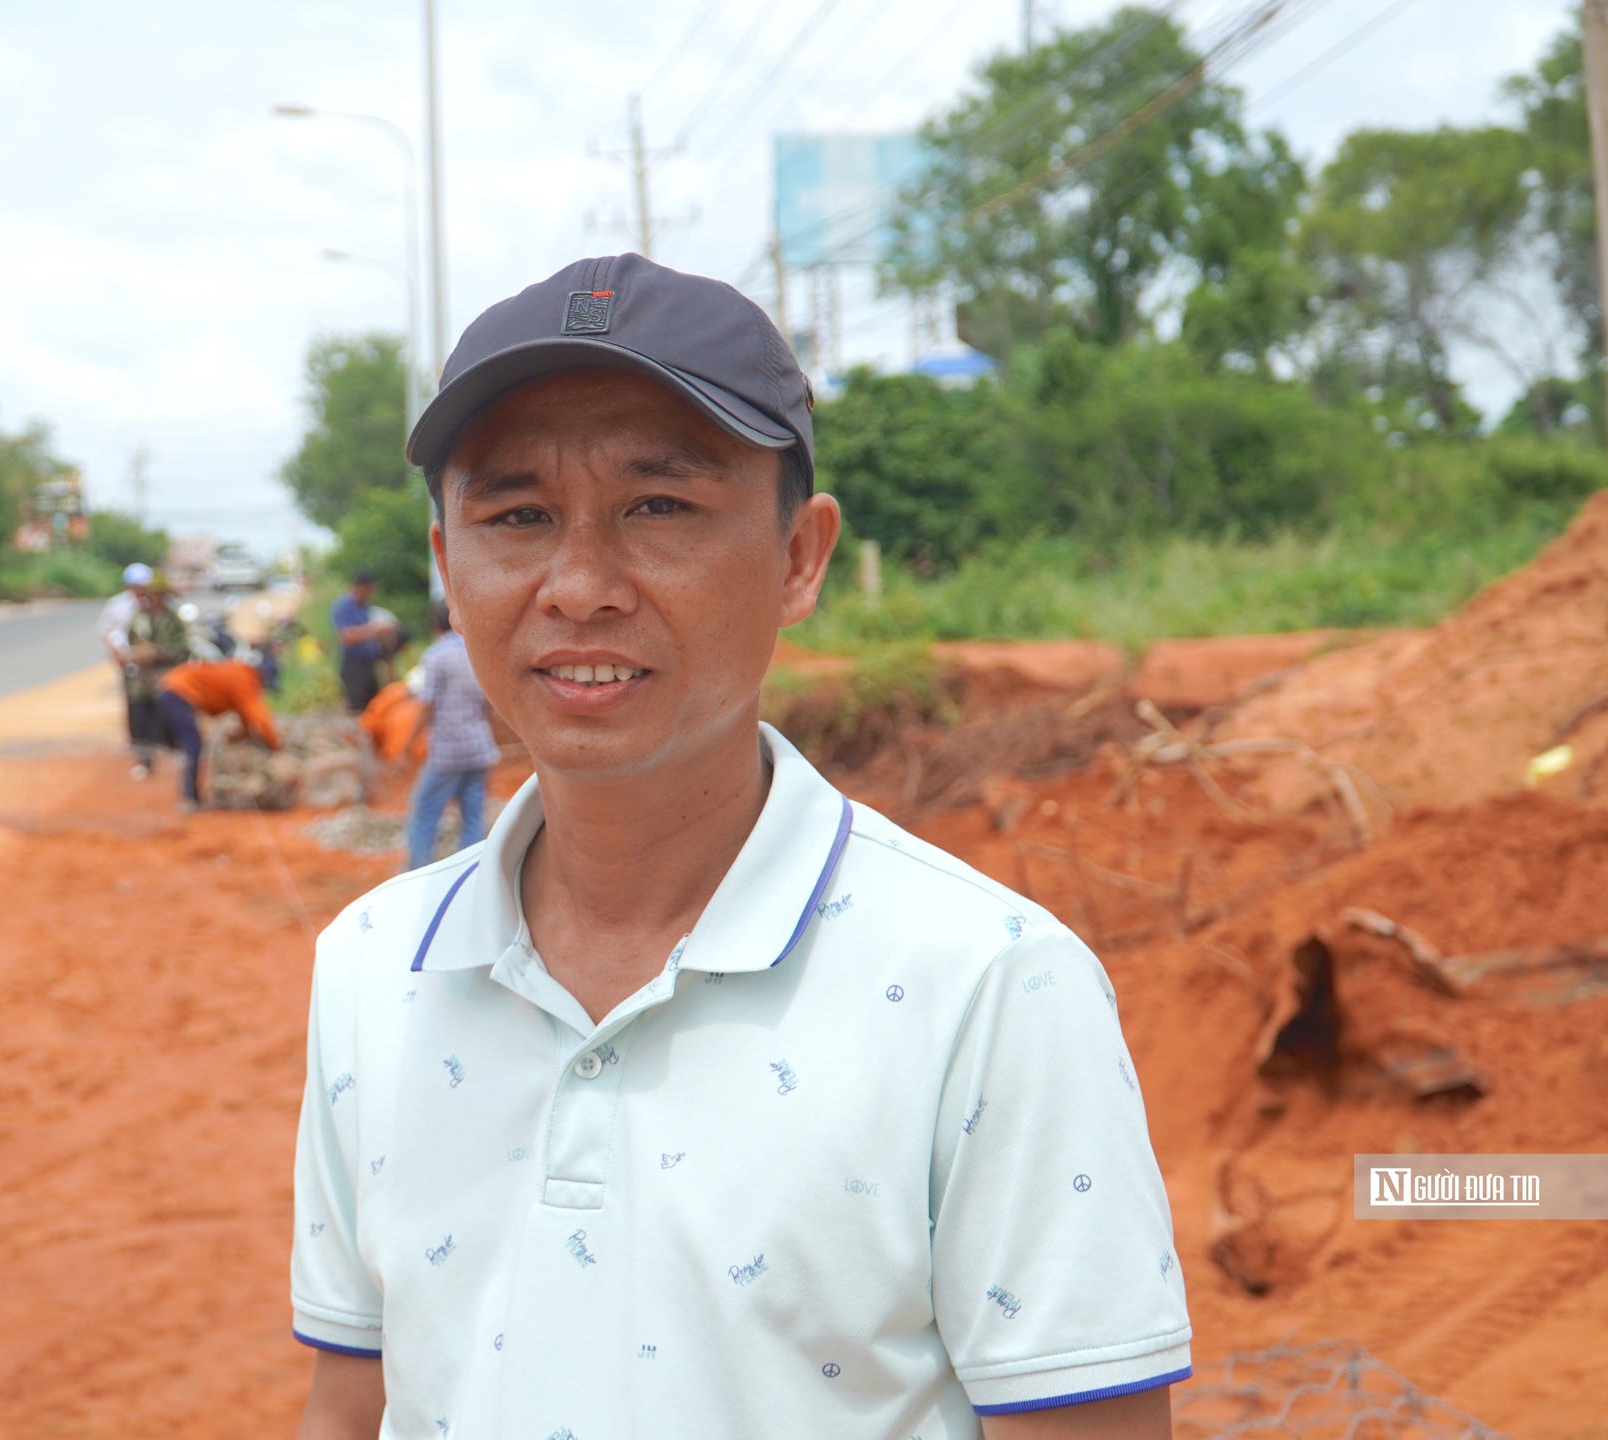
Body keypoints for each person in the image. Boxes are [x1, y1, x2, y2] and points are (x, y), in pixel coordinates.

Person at [290, 255, 1189, 1440]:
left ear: (800, 557)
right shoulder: (373, 967)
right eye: (516, 516)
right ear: (448, 569)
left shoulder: (989, 985)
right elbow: (354, 1405)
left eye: (659, 506)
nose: (579, 585)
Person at [401, 601, 497, 870]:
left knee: (425, 812)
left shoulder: (436, 656)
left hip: (448, 752)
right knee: (473, 816)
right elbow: (489, 702)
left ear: (433, 625)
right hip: (480, 747)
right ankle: (469, 876)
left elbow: (427, 705)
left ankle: (415, 873)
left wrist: (409, 742)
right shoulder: (474, 652)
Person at [156, 657, 282, 810]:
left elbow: (246, 717)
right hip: (177, 692)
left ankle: (192, 796)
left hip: (172, 689)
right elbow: (260, 717)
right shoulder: (245, 678)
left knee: (191, 742)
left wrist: (243, 734)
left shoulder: (240, 674)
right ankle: (189, 797)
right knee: (193, 743)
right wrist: (276, 747)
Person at [122, 577, 188, 778]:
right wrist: (139, 653)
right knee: (139, 718)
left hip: (166, 677)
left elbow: (183, 648)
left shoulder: (173, 619)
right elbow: (131, 643)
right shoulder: (138, 618)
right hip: (141, 679)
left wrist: (160, 653)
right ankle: (144, 760)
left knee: (169, 716)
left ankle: (177, 752)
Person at [100, 562, 155, 769]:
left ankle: (157, 742)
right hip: (128, 662)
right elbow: (106, 631)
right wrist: (119, 655)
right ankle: (139, 746)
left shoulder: (153, 605)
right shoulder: (117, 605)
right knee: (134, 704)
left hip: (152, 663)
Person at [329, 571, 398, 712]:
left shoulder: (365, 607)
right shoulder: (343, 607)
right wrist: (375, 630)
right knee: (358, 707)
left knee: (372, 705)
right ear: (359, 587)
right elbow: (346, 637)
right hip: (353, 663)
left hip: (369, 661)